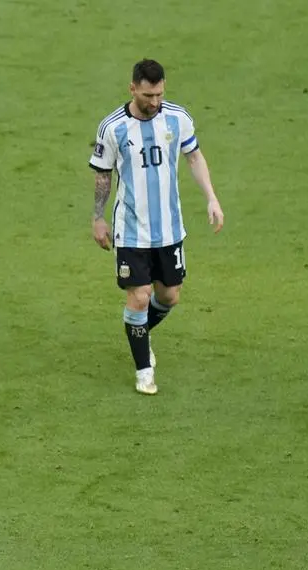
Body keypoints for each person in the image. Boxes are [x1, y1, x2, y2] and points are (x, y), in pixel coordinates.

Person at [89, 58, 224, 395]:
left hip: (169, 229)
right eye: (148, 95)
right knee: (139, 297)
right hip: (131, 230)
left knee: (169, 296)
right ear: (133, 88)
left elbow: (194, 156)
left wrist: (211, 197)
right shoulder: (113, 127)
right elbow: (103, 175)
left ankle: (140, 333)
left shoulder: (177, 118)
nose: (154, 102)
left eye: (159, 94)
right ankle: (143, 370)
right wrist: (98, 217)